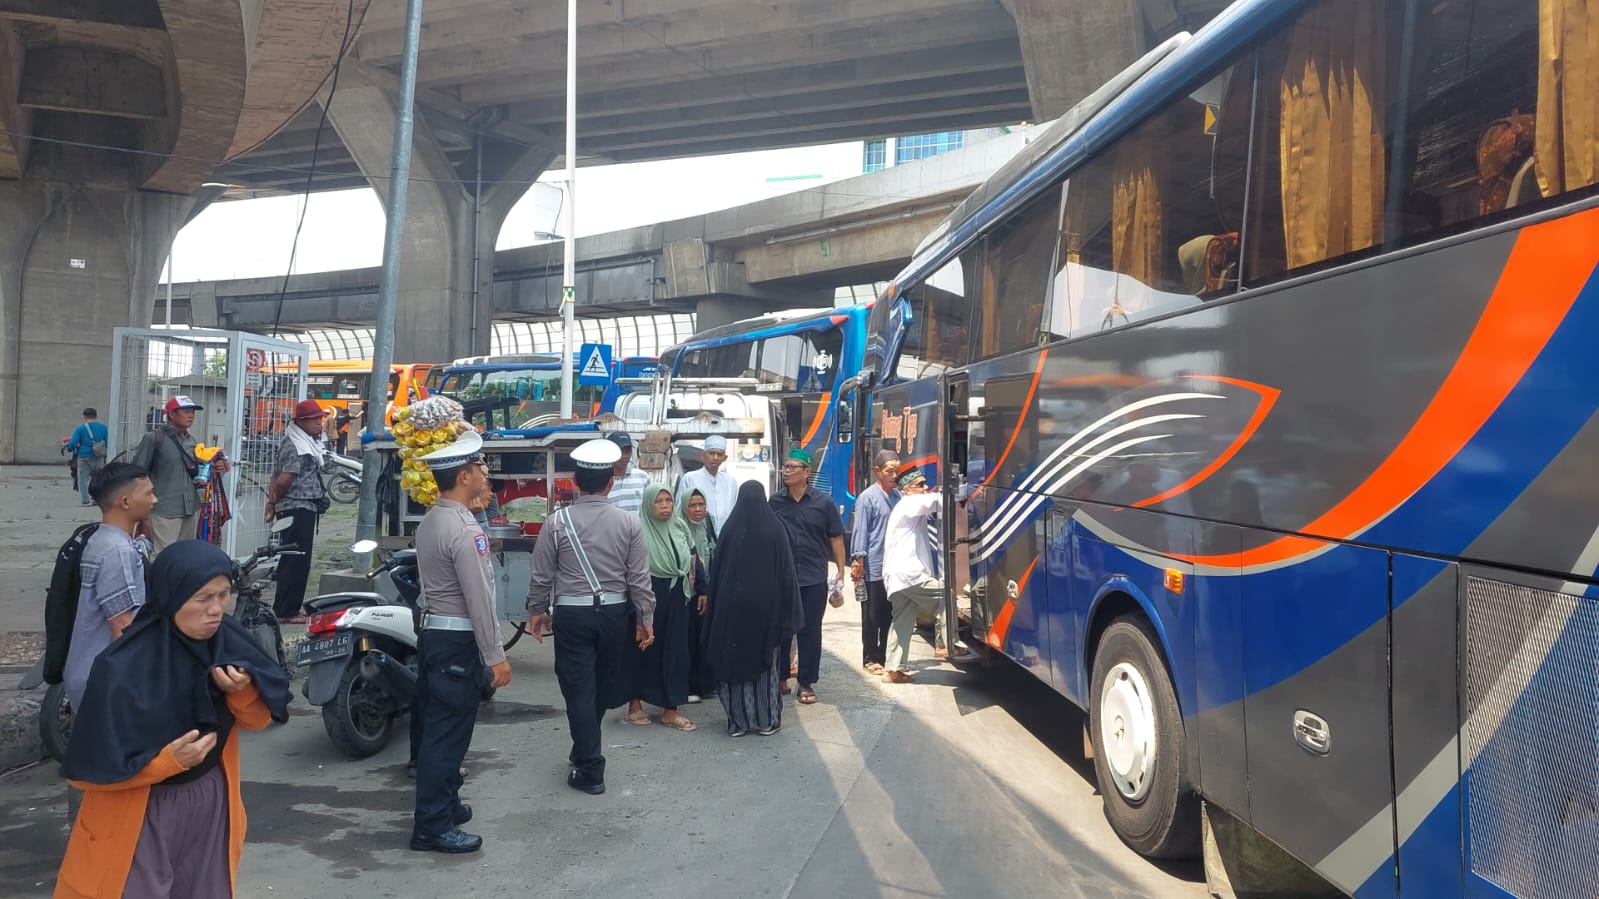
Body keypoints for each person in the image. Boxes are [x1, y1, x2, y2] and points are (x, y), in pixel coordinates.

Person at [55, 540, 291, 899]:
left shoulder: (229, 644)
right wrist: (167, 763)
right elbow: (89, 773)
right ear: (171, 595)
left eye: (223, 594)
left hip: (211, 801)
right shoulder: (121, 667)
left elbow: (258, 722)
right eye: (202, 598)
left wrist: (240, 691)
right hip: (141, 808)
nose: (216, 609)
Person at [525, 438, 655, 796]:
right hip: (615, 615)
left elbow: (541, 575)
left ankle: (590, 768)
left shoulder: (556, 522)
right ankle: (585, 746)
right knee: (598, 687)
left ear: (574, 482)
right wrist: (646, 617)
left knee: (578, 688)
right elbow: (639, 579)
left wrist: (536, 610)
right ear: (611, 481)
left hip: (572, 615)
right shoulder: (629, 523)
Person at [409, 430, 510, 854]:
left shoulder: (433, 519)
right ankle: (432, 826)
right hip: (457, 640)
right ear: (465, 475)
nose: (484, 475)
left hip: (435, 634)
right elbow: (480, 599)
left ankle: (446, 805)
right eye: (480, 469)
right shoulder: (466, 529)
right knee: (447, 737)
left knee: (439, 727)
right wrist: (496, 656)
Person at [704, 481, 803, 736]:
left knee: (733, 661)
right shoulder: (775, 529)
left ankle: (739, 721)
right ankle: (767, 720)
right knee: (765, 666)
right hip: (766, 614)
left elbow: (717, 575)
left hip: (732, 611)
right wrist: (787, 613)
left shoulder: (730, 529)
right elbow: (787, 576)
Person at [64, 463, 158, 712]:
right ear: (125, 502)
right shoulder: (118, 552)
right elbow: (121, 627)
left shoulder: (100, 538)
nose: (154, 500)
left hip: (90, 672)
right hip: (106, 681)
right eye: (148, 493)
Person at [770, 448, 846, 705]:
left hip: (814, 578)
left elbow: (835, 537)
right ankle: (780, 677)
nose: (786, 471)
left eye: (792, 467)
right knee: (782, 630)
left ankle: (806, 682)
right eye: (785, 467)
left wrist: (840, 571)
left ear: (806, 473)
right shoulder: (775, 502)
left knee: (810, 631)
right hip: (783, 578)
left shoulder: (823, 503)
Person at [622, 484, 697, 731]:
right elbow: (628, 568)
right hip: (647, 590)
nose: (665, 506)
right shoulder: (638, 530)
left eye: (669, 500)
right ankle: (635, 705)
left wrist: (701, 588)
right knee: (643, 648)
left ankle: (671, 710)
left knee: (677, 650)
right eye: (659, 501)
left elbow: (693, 557)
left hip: (677, 592)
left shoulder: (679, 525)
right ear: (648, 504)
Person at [264, 400, 329, 624]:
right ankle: (286, 611)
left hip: (300, 506)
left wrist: (272, 503)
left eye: (320, 419)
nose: (319, 424)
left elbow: (276, 474)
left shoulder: (301, 440)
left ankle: (287, 605)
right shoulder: (297, 445)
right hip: (297, 506)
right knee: (296, 560)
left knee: (293, 559)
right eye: (315, 419)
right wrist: (275, 500)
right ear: (301, 421)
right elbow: (284, 479)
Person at [882, 469, 945, 683]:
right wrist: (965, 490)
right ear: (907, 490)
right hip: (908, 575)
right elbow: (935, 501)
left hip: (898, 576)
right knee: (947, 595)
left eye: (926, 484)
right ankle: (946, 643)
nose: (926, 488)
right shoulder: (909, 504)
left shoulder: (905, 506)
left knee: (902, 620)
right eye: (921, 485)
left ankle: (893, 670)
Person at [131, 396, 211, 554]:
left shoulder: (191, 441)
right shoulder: (154, 438)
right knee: (164, 555)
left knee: (185, 555)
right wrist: (141, 512)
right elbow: (137, 474)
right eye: (186, 411)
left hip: (189, 507)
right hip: (164, 509)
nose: (191, 416)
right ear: (171, 414)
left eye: (193, 412)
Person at [849, 450, 901, 676]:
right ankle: (870, 657)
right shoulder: (867, 498)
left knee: (888, 614)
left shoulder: (898, 497)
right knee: (871, 615)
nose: (894, 475)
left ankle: (884, 655)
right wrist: (858, 562)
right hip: (872, 565)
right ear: (878, 472)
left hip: (892, 566)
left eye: (897, 470)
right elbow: (861, 531)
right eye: (890, 471)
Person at [680, 489, 716, 702]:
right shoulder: (678, 526)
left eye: (701, 504)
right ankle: (690, 685)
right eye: (692, 505)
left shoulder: (709, 523)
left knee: (706, 639)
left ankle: (707, 684)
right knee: (689, 640)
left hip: (708, 590)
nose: (697, 509)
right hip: (688, 593)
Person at [675, 434, 738, 529]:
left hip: (725, 538)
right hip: (697, 536)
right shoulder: (690, 478)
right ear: (703, 455)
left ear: (725, 458)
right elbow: (679, 511)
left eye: (720, 454)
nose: (715, 458)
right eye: (711, 453)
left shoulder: (730, 482)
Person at [66, 408, 110, 507]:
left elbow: (73, 442)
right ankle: (95, 499)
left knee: (83, 478)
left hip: (84, 456)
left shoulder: (80, 429)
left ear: (85, 417)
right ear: (96, 416)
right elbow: (108, 441)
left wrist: (69, 448)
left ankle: (85, 501)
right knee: (98, 478)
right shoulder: (103, 428)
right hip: (99, 456)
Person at [604, 431, 650, 514]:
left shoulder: (643, 477)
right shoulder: (602, 481)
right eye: (620, 452)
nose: (625, 456)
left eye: (627, 451)